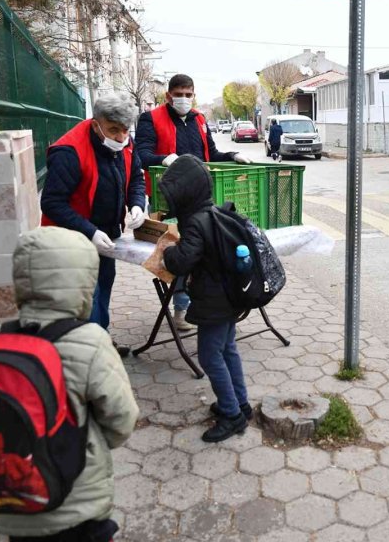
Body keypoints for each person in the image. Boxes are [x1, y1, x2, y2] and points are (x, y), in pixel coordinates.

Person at [0, 227, 139, 542]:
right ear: (83, 281)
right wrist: (89, 441)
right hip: (76, 502)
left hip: (12, 499)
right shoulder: (90, 340)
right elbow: (122, 418)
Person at [136, 74, 252, 331]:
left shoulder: (199, 119)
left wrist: (233, 155)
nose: (184, 99)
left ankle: (207, 302)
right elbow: (141, 155)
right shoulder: (150, 119)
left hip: (199, 202)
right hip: (168, 200)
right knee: (179, 251)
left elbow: (211, 154)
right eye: (179, 94)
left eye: (189, 95)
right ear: (168, 96)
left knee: (204, 253)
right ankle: (181, 308)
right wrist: (164, 158)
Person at [40, 93, 146, 356]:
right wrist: (89, 231)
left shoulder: (124, 143)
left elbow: (135, 178)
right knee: (89, 296)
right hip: (73, 240)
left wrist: (136, 204)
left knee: (104, 285)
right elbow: (52, 203)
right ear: (96, 123)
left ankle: (100, 340)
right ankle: (91, 356)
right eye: (113, 130)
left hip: (108, 237)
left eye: (125, 130)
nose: (121, 137)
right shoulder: (69, 151)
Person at [160, 156, 252, 443]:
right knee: (228, 349)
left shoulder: (196, 222)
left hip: (213, 302)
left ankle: (231, 414)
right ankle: (241, 403)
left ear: (185, 194)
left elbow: (183, 261)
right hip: (228, 297)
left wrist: (167, 252)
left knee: (210, 356)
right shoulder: (210, 213)